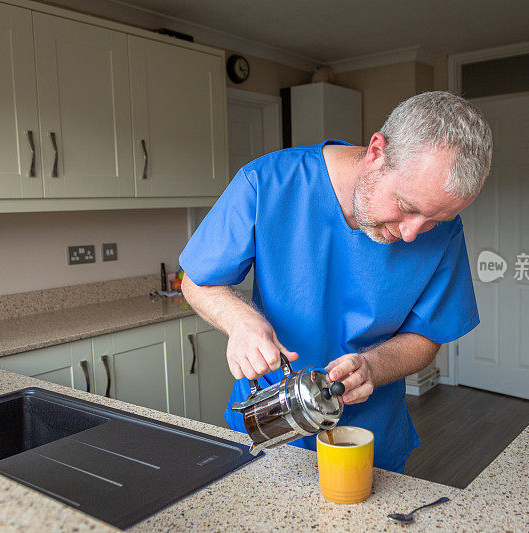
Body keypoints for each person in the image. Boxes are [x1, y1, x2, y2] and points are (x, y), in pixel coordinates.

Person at [179, 91, 493, 473]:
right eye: (407, 208)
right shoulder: (268, 182)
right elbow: (197, 281)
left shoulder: (442, 232)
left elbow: (428, 336)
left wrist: (373, 367)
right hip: (268, 425)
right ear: (377, 152)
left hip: (369, 440)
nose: (413, 234)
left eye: (434, 221)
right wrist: (240, 322)